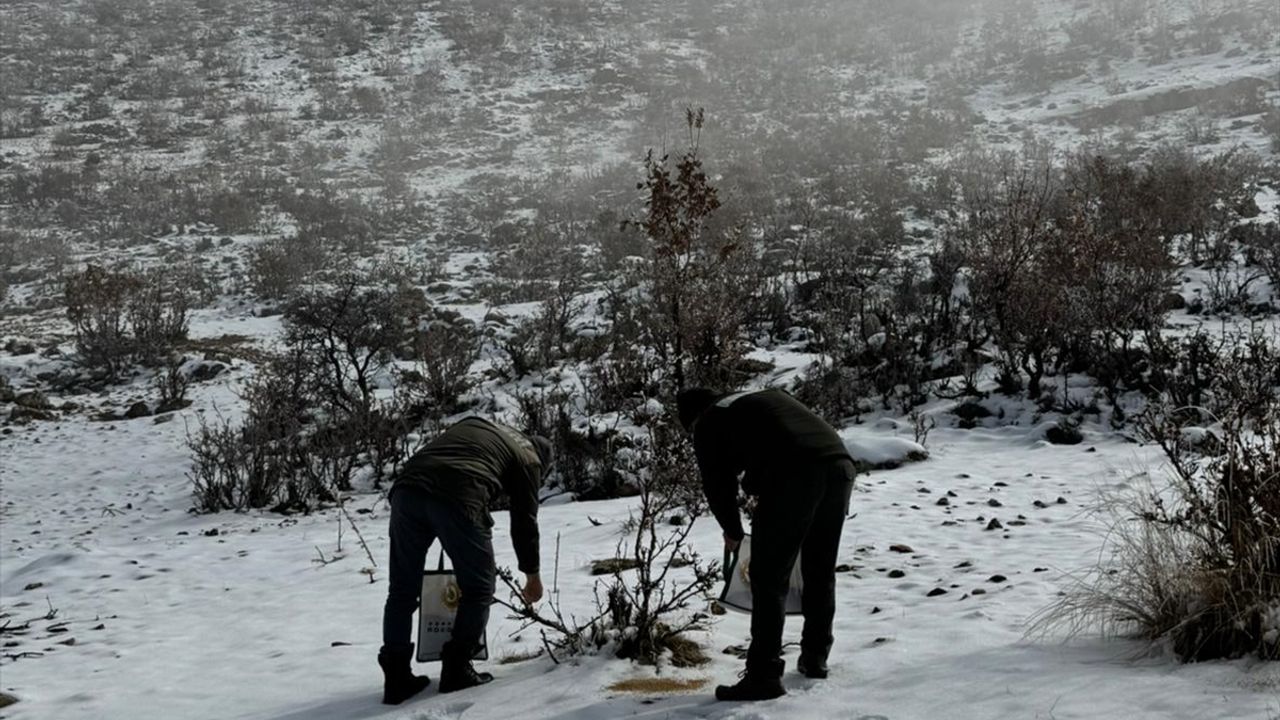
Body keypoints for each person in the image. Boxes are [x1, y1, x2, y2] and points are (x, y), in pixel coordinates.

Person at [677, 387, 857, 702]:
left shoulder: (709, 420)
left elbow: (717, 483)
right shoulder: (757, 398)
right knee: (818, 568)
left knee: (768, 576)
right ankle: (816, 657)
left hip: (795, 473)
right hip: (840, 466)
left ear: (692, 417)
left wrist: (732, 531)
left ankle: (763, 677)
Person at [377, 416, 553, 704]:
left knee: (401, 590)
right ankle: (457, 668)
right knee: (479, 587)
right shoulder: (529, 459)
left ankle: (396, 678)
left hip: (407, 490)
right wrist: (532, 575)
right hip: (459, 491)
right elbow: (524, 522)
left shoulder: (483, 425)